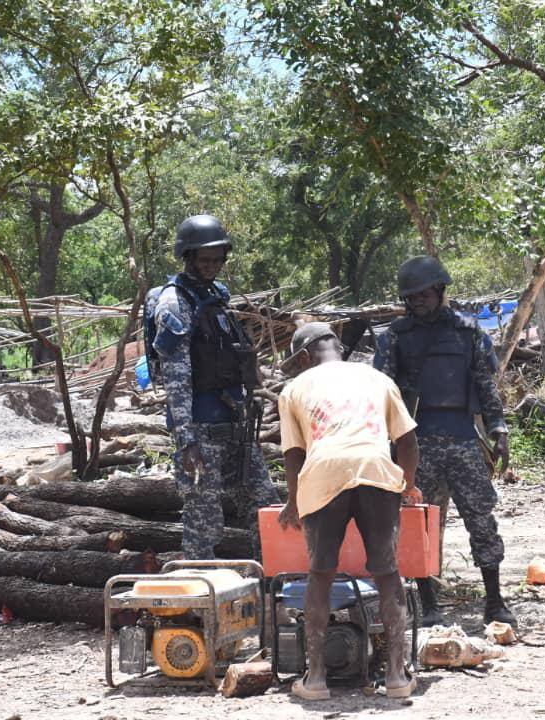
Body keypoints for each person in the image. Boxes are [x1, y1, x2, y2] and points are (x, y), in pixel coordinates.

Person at [278, 322, 421, 700]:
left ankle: (316, 679)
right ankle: (396, 675)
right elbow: (407, 441)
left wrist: (294, 501)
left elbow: (294, 455)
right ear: (338, 348)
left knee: (321, 573)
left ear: (305, 357)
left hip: (323, 472)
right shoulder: (376, 378)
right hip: (376, 468)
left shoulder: (293, 389)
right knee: (387, 571)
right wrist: (404, 486)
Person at [373, 255, 516, 628]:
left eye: (422, 294)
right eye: (410, 297)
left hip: (463, 438)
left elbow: (486, 386)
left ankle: (495, 602)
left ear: (439, 290)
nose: (416, 302)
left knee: (481, 520)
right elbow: (382, 394)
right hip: (414, 443)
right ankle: (428, 605)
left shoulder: (469, 333)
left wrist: (499, 429)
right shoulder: (394, 338)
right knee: (418, 524)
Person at [152, 214, 278, 559]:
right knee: (203, 521)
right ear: (188, 257)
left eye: (217, 259)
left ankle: (271, 589)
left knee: (265, 504)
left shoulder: (217, 300)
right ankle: (197, 597)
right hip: (202, 430)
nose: (211, 266)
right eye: (204, 259)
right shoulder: (175, 303)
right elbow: (176, 378)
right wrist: (186, 440)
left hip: (237, 425)